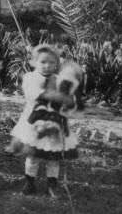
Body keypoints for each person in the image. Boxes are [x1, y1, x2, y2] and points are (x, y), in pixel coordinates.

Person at [10, 45, 80, 197]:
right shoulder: (30, 78)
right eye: (43, 62)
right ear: (34, 62)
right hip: (35, 122)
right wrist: (54, 94)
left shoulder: (58, 79)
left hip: (54, 123)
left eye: (51, 63)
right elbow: (34, 95)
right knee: (33, 154)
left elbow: (68, 100)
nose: (47, 66)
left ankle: (52, 184)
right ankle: (29, 182)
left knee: (53, 157)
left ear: (56, 64)